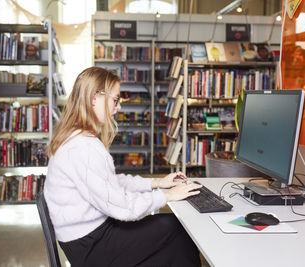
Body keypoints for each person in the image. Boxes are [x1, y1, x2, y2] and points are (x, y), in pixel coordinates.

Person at [44, 66, 202, 267]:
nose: (118, 107)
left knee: (170, 236)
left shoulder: (77, 137)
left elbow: (110, 183)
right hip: (91, 246)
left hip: (86, 237)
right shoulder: (83, 147)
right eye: (115, 100)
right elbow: (123, 207)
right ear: (94, 99)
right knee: (176, 229)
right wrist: (168, 196)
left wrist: (157, 183)